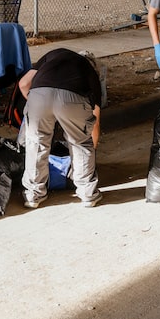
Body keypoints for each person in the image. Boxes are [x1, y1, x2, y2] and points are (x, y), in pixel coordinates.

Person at [18, 48, 103, 208]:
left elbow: (23, 84)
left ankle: (33, 195)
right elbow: (95, 120)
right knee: (80, 143)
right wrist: (92, 149)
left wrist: (41, 106)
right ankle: (87, 194)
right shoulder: (89, 71)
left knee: (36, 143)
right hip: (72, 99)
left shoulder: (53, 54)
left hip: (39, 94)